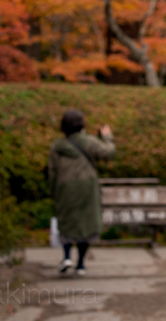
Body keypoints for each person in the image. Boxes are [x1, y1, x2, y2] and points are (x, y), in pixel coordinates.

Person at [47, 109, 116, 275]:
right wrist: (107, 136)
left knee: (67, 221)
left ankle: (66, 257)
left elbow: (52, 172)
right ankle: (81, 264)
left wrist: (54, 191)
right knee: (86, 223)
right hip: (87, 188)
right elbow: (109, 152)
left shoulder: (57, 146)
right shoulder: (89, 142)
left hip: (65, 188)